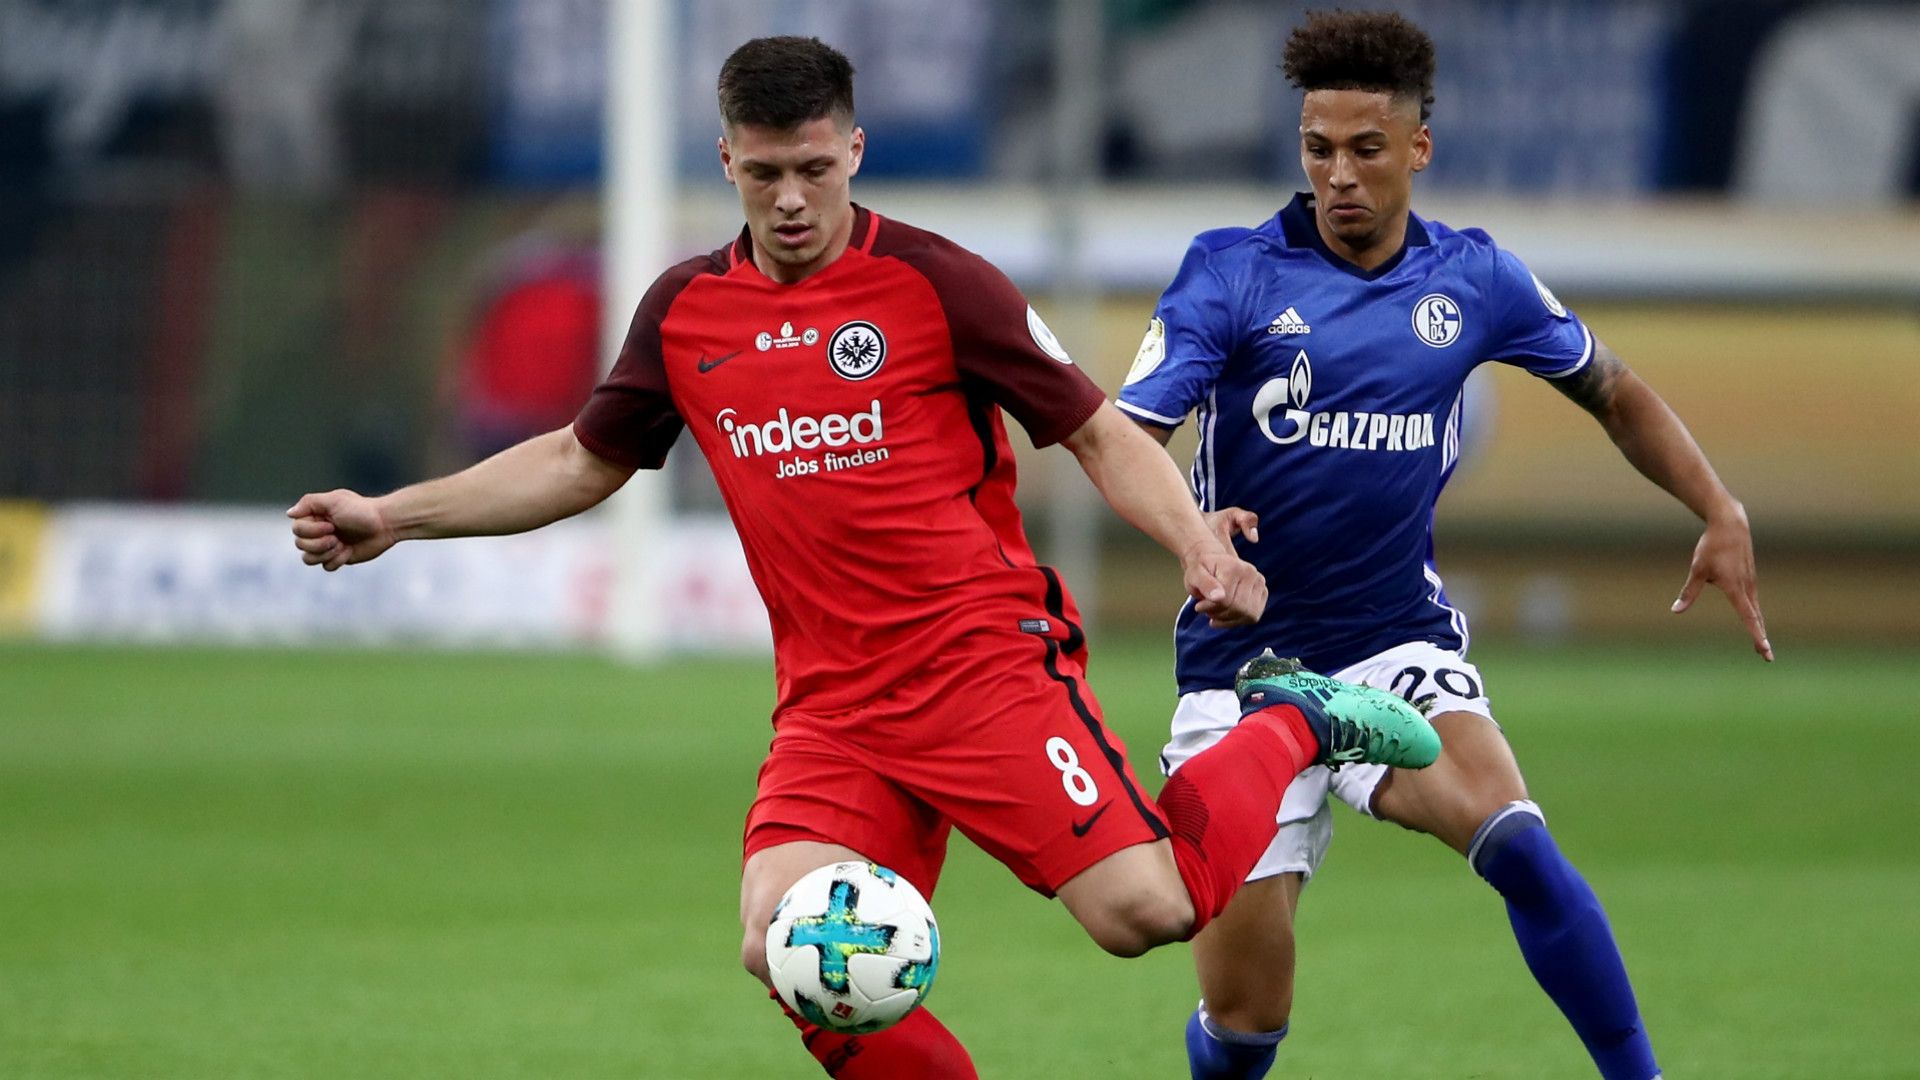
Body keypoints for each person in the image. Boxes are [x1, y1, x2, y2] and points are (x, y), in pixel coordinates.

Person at [288, 36, 1439, 1079]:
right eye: (763, 174)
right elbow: (580, 461)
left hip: (986, 672)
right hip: (836, 707)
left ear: (854, 150)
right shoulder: (687, 313)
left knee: (1149, 915)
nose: (792, 201)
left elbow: (1094, 429)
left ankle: (1291, 723)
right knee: (786, 945)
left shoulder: (941, 283)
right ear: (728, 161)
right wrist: (395, 516)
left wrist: (1199, 547)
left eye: (815, 171)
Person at [1116, 12, 1769, 1080]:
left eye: (1366, 149)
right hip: (1244, 672)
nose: (1340, 176)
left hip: (1390, 646)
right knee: (1246, 1027)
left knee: (1521, 846)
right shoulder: (1228, 275)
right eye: (1318, 149)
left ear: (1417, 147)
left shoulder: (1474, 279)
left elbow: (1614, 390)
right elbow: (1123, 433)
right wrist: (1196, 537)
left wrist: (1719, 508)